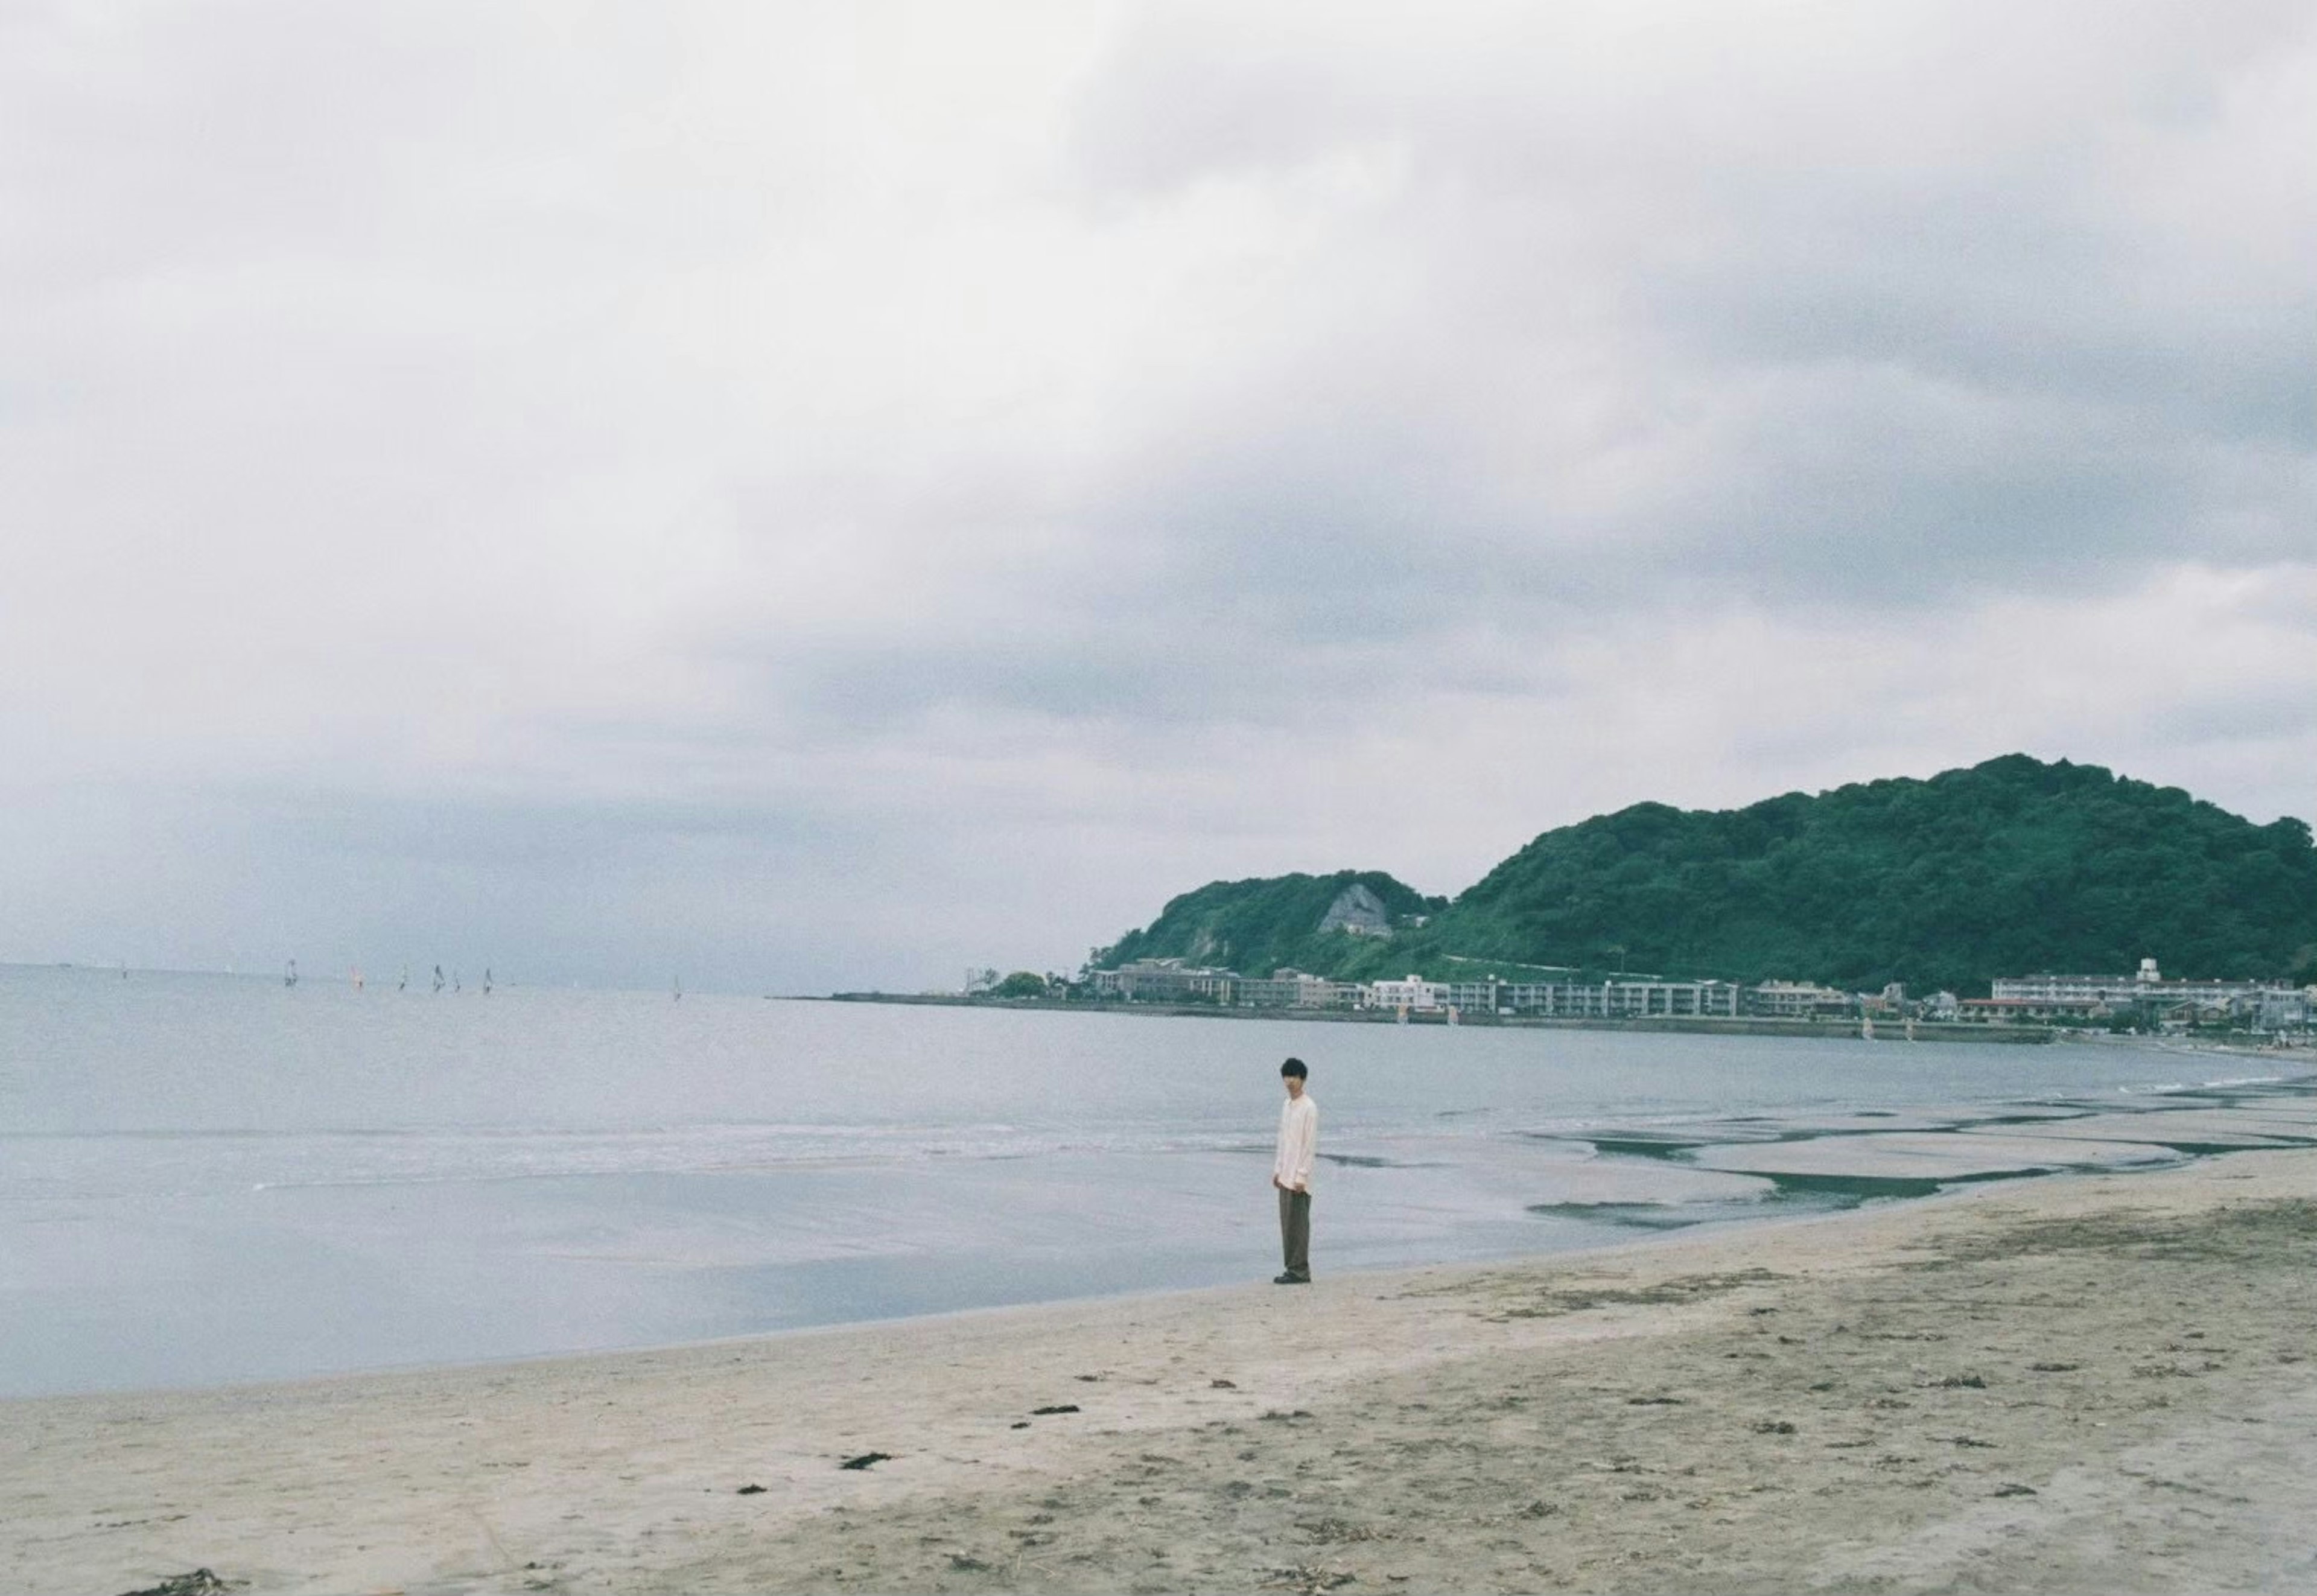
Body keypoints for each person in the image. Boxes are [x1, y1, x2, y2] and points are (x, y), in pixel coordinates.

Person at [1271, 1057, 1317, 1284]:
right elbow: (1283, 1139)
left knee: (1299, 1225)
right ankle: (1291, 1268)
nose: (1290, 1081)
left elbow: (1308, 1145)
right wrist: (1278, 1169)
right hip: (1285, 1174)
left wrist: (1302, 1175)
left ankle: (1300, 1270)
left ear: (1303, 1079)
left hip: (1299, 1178)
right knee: (1287, 1224)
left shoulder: (1309, 1107)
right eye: (1287, 1077)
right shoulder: (1287, 1105)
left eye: (1294, 1077)